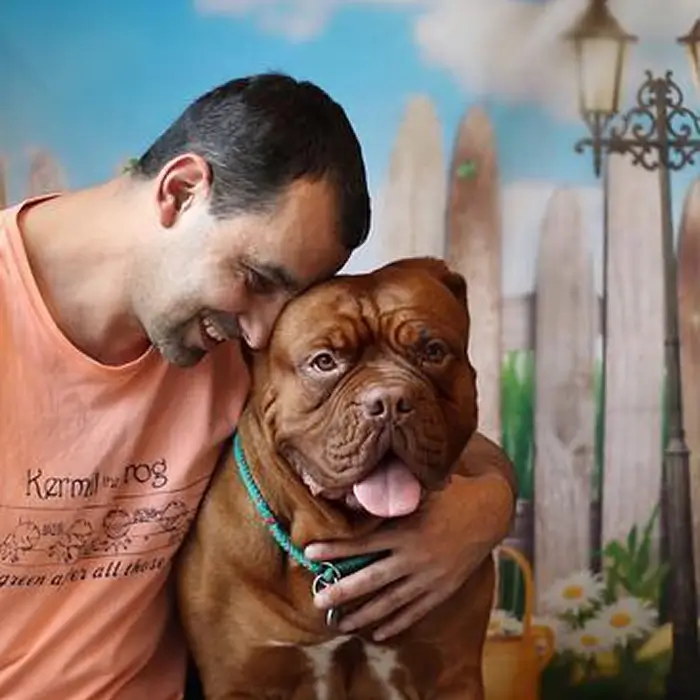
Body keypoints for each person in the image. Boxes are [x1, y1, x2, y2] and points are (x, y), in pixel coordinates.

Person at [0, 72, 516, 700]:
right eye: (257, 278)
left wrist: (485, 510)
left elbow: (431, 430)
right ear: (181, 192)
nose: (262, 329)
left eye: (289, 297)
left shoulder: (235, 339)